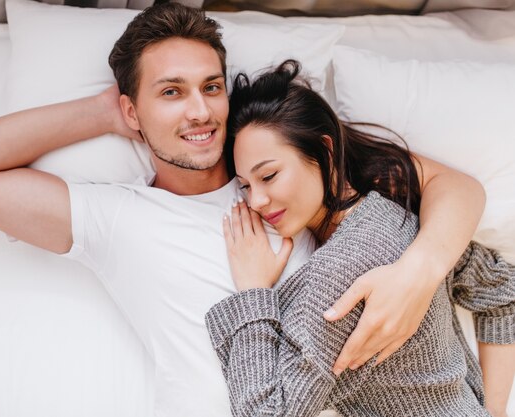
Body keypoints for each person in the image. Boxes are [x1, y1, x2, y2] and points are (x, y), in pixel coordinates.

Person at [0, 3, 488, 415]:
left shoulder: (288, 174)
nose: (199, 111)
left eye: (211, 87)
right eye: (171, 92)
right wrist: (103, 112)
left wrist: (421, 270)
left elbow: (454, 189)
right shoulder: (117, 216)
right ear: (132, 110)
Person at [205, 60, 515, 417]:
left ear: (323, 151)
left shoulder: (337, 276)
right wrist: (492, 410)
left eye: (270, 175)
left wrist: (253, 293)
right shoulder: (400, 218)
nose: (256, 201)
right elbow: (500, 290)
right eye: (245, 186)